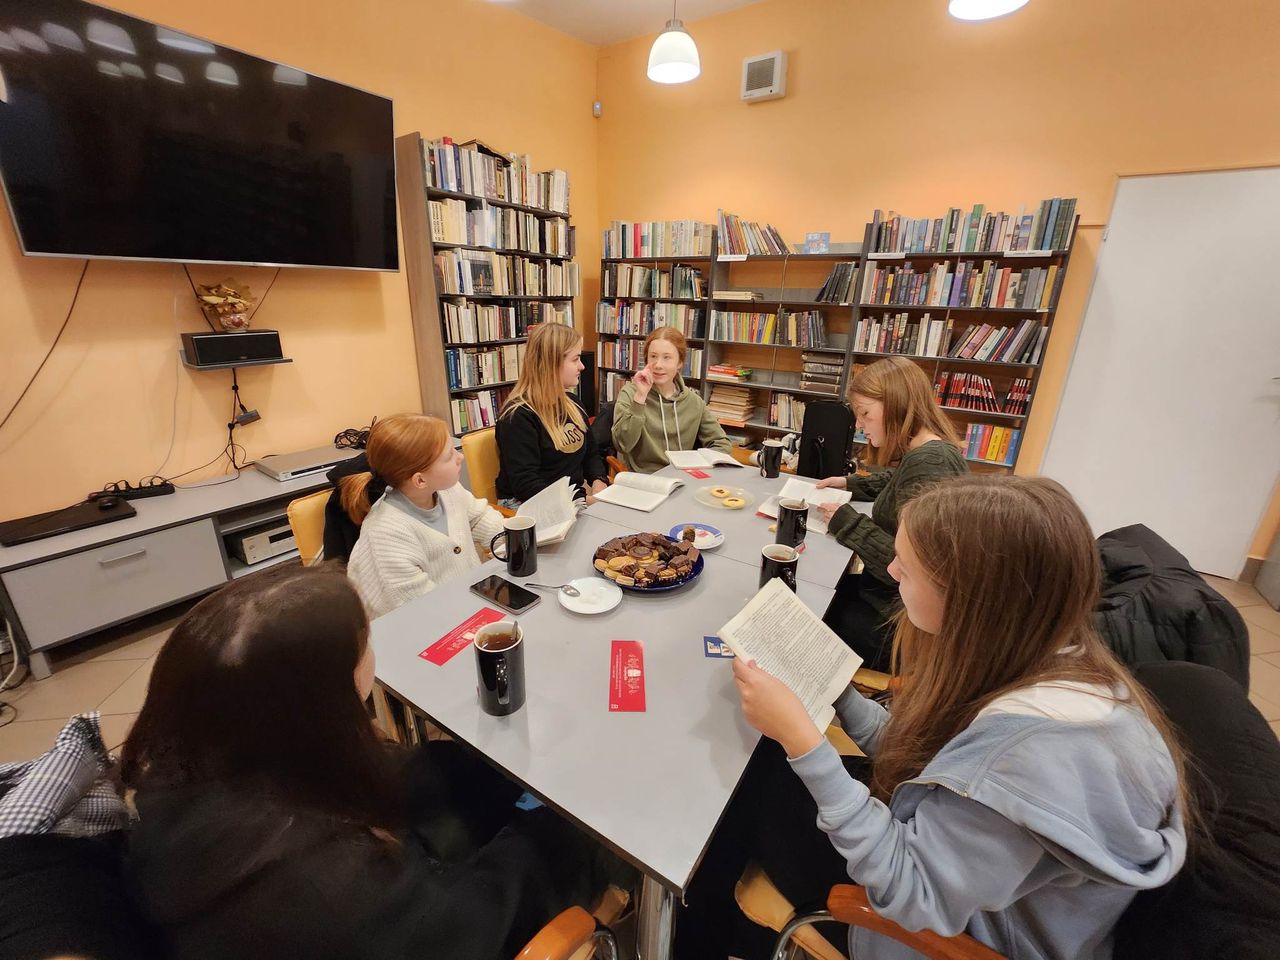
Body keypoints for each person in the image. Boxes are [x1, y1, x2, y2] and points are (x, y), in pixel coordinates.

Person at [723, 476, 1191, 960]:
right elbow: (934, 763)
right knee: (771, 769)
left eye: (907, 567)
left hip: (933, 925)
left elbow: (910, 893)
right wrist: (839, 692)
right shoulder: (1052, 665)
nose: (891, 569)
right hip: (951, 865)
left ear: (969, 599)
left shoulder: (1025, 765)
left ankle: (718, 935)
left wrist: (803, 740)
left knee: (749, 789)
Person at [121, 565, 614, 960]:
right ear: (324, 702)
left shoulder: (191, 771)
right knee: (582, 828)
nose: (371, 651)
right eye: (364, 643)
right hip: (442, 928)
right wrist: (549, 824)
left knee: (454, 769)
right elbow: (474, 925)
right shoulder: (327, 887)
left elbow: (401, 774)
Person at [814, 356, 966, 671]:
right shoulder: (928, 453)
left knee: (809, 609)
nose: (859, 425)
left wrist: (846, 522)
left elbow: (913, 569)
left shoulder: (930, 464)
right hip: (888, 603)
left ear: (897, 405)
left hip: (897, 626)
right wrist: (850, 483)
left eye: (865, 413)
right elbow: (898, 483)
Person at [342, 414, 504, 619]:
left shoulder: (448, 490)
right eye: (449, 456)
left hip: (464, 604)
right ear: (420, 481)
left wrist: (516, 544)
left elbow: (480, 518)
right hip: (419, 624)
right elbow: (424, 610)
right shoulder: (386, 534)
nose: (460, 457)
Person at [495, 322, 608, 506]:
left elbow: (591, 454)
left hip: (569, 500)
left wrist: (598, 481)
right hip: (527, 504)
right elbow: (526, 485)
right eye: (575, 359)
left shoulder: (573, 403)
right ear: (551, 363)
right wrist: (583, 501)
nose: (582, 366)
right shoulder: (517, 416)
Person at [611, 326, 731, 474]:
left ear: (680, 362)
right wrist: (640, 399)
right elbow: (623, 445)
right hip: (646, 479)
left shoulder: (694, 401)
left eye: (667, 357)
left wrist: (697, 464)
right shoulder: (630, 394)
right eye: (653, 356)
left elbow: (721, 443)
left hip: (684, 477)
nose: (658, 365)